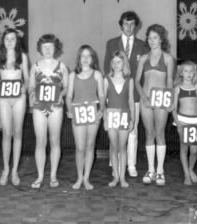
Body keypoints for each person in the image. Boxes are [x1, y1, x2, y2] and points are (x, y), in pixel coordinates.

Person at [104, 11, 147, 177]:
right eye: (125, 24)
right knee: (113, 129)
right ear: (121, 25)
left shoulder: (142, 46)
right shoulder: (111, 43)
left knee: (132, 129)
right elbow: (106, 68)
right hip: (115, 93)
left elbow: (143, 74)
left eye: (132, 24)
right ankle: (114, 164)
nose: (129, 27)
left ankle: (131, 164)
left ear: (136, 25)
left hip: (133, 94)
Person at [135, 24, 174, 186]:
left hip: (161, 100)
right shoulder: (143, 58)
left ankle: (160, 171)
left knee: (160, 134)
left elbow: (170, 81)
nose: (152, 41)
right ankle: (150, 169)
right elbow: (137, 81)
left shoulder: (168, 58)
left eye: (155, 38)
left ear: (161, 39)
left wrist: (170, 100)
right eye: (149, 38)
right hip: (146, 99)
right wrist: (143, 97)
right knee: (149, 134)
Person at [29, 34, 68, 188]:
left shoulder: (62, 66)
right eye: (44, 47)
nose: (47, 50)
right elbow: (31, 86)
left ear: (55, 49)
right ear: (40, 48)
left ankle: (53, 175)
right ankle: (39, 176)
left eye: (50, 47)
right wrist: (32, 94)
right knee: (40, 141)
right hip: (39, 106)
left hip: (56, 106)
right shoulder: (35, 66)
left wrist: (61, 96)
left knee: (54, 140)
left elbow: (66, 88)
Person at [66, 45, 105, 190]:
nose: (86, 59)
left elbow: (101, 95)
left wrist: (101, 108)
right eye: (83, 56)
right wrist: (69, 109)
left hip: (93, 112)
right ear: (79, 58)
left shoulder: (97, 74)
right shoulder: (72, 75)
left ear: (92, 58)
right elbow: (69, 96)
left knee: (90, 146)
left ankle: (87, 178)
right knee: (80, 147)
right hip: (78, 112)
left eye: (89, 56)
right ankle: (79, 177)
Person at [0, 28, 29, 186]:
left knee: (17, 132)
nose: (9, 41)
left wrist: (24, 88)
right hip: (4, 98)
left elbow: (27, 78)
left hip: (19, 98)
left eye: (12, 39)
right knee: (7, 133)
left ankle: (15, 170)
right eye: (7, 39)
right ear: (3, 41)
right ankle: (6, 169)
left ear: (17, 41)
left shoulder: (22, 57)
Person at [172, 61, 197, 185]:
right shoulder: (177, 88)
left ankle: (191, 169)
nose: (188, 74)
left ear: (194, 74)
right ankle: (186, 174)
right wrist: (178, 123)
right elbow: (173, 108)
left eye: (191, 71)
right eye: (186, 71)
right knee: (184, 148)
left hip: (196, 121)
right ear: (181, 73)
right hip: (183, 121)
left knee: (194, 151)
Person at [104, 51, 134, 188]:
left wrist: (132, 119)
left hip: (124, 116)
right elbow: (103, 101)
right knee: (114, 147)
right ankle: (115, 176)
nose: (116, 65)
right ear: (111, 64)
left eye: (119, 62)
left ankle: (122, 177)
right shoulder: (106, 80)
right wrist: (105, 119)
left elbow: (131, 101)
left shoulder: (129, 80)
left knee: (122, 147)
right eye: (114, 62)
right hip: (111, 116)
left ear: (124, 63)